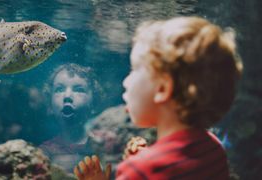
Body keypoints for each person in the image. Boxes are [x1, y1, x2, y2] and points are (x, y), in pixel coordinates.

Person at [74, 16, 241, 179]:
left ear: (162, 88)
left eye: (134, 70)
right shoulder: (213, 148)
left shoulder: (139, 169)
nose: (125, 82)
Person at [39, 63, 103, 173]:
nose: (67, 96)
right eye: (59, 89)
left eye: (79, 89)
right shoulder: (44, 153)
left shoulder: (104, 143)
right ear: (50, 105)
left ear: (94, 103)